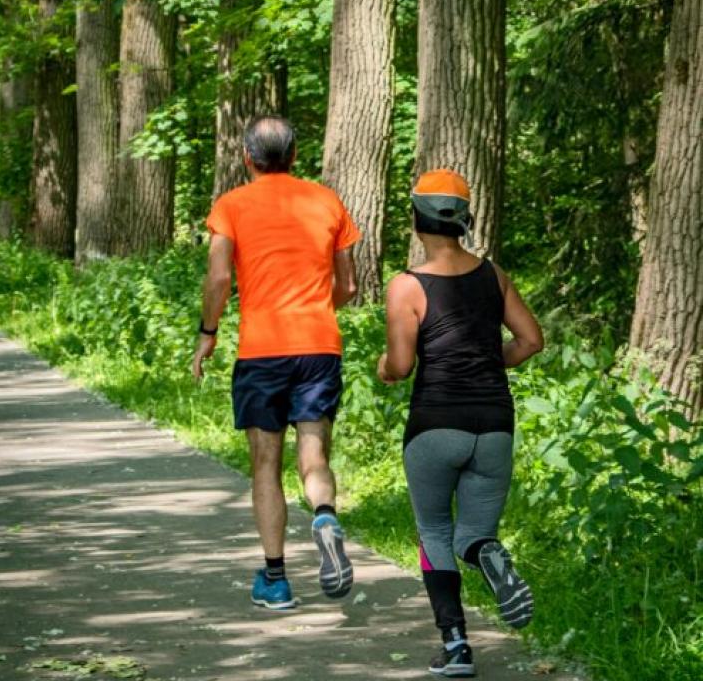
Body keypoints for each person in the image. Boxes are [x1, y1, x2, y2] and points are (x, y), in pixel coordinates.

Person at [377, 169, 544, 678]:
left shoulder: (407, 285)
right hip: (494, 424)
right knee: (471, 535)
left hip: (435, 424)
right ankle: (487, 552)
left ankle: (455, 647)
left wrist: (382, 368)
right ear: (464, 219)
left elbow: (401, 366)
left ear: (416, 219)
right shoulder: (494, 276)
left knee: (433, 532)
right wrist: (488, 361)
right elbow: (531, 341)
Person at [192, 115, 360, 610]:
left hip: (262, 351)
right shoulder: (326, 200)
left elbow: (220, 278)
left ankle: (276, 579)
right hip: (318, 347)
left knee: (266, 464)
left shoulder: (231, 206)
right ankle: (325, 515)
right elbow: (347, 287)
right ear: (294, 156)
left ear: (247, 157)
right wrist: (317, 312)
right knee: (314, 454)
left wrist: (208, 332)